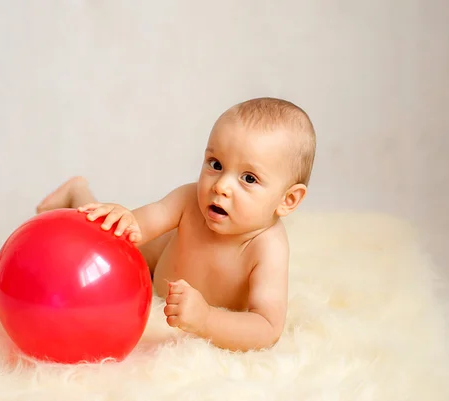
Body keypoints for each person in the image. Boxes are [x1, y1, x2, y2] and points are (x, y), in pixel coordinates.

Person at [36, 97, 316, 352]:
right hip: (158, 255)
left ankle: (77, 191)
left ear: (288, 200)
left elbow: (266, 328)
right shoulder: (188, 201)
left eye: (249, 178)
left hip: (179, 288)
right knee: (111, 234)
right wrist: (127, 217)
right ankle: (78, 193)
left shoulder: (268, 247)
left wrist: (206, 319)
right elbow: (142, 223)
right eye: (216, 164)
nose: (221, 186)